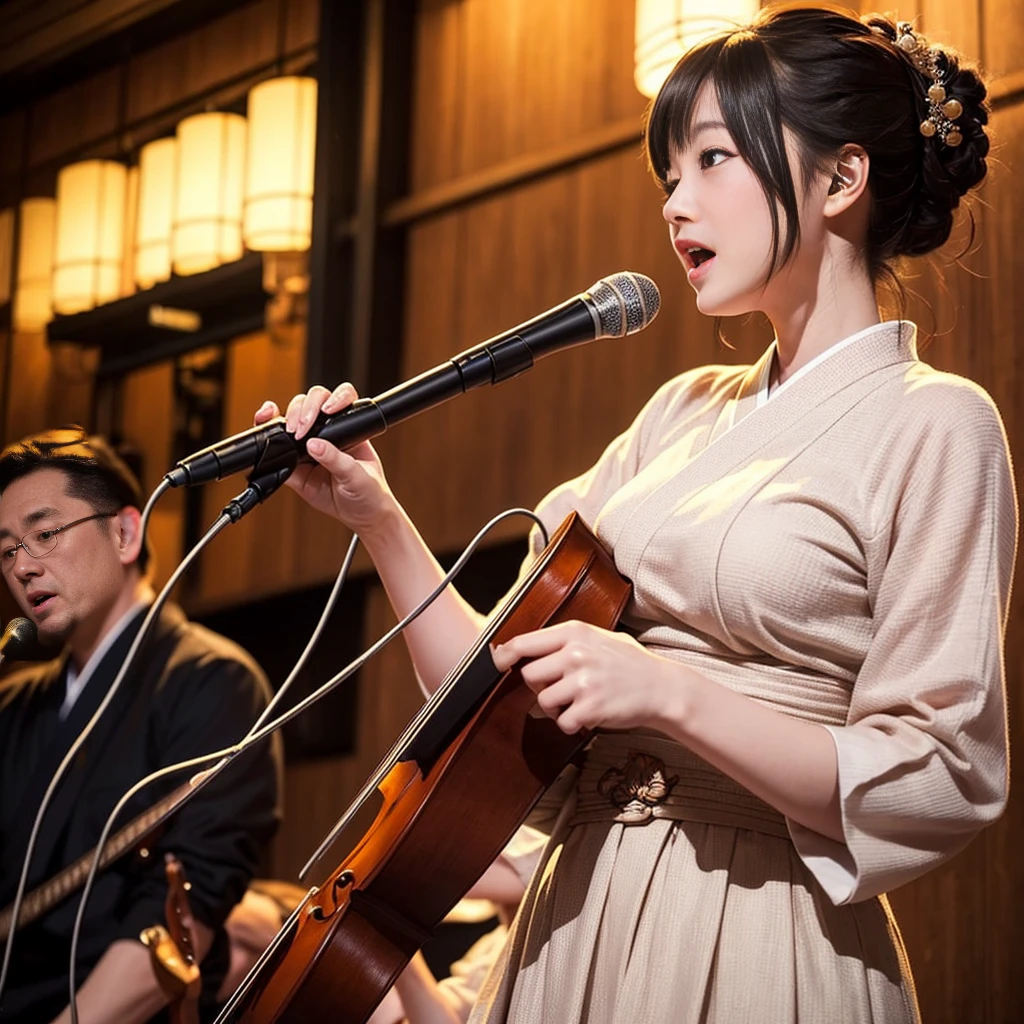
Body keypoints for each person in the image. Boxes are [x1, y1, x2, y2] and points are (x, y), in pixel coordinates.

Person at [254, 5, 1017, 1022]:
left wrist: (666, 695)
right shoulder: (679, 415)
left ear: (840, 178)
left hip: (757, 914)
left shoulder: (935, 422)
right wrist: (379, 518)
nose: (675, 203)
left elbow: (940, 767)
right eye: (669, 176)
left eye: (710, 161)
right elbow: (488, 690)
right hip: (576, 913)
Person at [0, 428, 282, 1024]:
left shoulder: (212, 682)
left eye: (45, 535)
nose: (23, 567)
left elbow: (182, 913)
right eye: (6, 550)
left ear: (126, 532)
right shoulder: (15, 707)